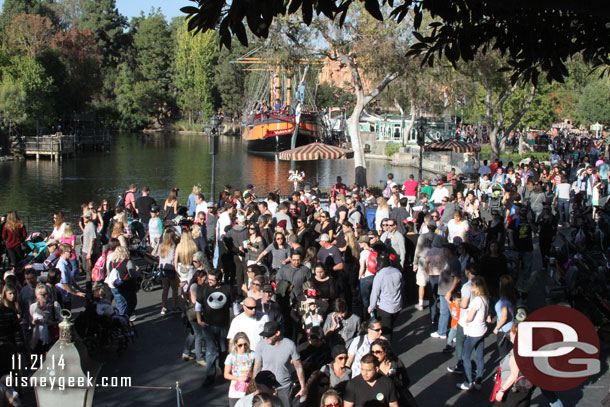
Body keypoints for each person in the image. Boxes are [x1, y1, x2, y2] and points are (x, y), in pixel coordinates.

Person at [254, 321, 306, 407]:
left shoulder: (290, 345)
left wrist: (303, 387)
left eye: (269, 336)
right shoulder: (260, 345)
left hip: (284, 388)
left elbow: (298, 367)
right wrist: (256, 387)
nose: (266, 339)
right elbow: (257, 366)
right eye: (265, 336)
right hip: (266, 388)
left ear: (277, 333)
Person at [196, 269, 232, 386]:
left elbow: (234, 305)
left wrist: (235, 322)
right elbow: (198, 305)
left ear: (219, 280)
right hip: (208, 325)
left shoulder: (227, 289)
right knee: (211, 351)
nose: (209, 281)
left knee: (223, 350)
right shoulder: (204, 289)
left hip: (223, 326)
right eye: (209, 279)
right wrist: (199, 320)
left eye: (212, 280)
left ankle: (224, 370)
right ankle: (210, 375)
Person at [457, 276, 489, 391]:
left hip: (474, 331)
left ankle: (468, 381)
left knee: (466, 356)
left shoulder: (476, 301)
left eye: (472, 285)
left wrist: (466, 318)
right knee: (479, 355)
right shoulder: (485, 298)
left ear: (476, 286)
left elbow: (470, 317)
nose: (470, 286)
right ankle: (478, 380)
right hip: (482, 330)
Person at [493, 324, 535, 405]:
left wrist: (502, 390)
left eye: (512, 332)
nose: (510, 334)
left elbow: (514, 374)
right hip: (525, 386)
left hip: (512, 389)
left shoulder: (516, 352)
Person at [368, 247, 403, 339]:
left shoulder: (379, 276)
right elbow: (401, 286)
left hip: (385, 308)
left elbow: (374, 293)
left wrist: (371, 307)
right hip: (397, 306)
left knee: (385, 332)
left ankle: (386, 350)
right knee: (391, 327)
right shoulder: (398, 272)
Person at [370, 339, 416, 407]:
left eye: (378, 352)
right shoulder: (370, 366)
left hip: (397, 398)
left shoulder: (395, 363)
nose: (375, 354)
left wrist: (397, 382)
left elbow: (405, 381)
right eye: (372, 352)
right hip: (379, 399)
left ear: (385, 352)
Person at [431, 243, 460, 339]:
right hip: (443, 291)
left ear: (449, 251)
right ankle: (441, 331)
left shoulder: (454, 262)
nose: (443, 251)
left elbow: (457, 278)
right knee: (444, 312)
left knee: (454, 313)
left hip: (448, 292)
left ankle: (455, 334)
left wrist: (450, 291)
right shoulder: (448, 261)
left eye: (445, 249)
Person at [224, 332, 256, 407]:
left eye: (245, 344)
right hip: (235, 391)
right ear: (235, 344)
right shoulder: (231, 357)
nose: (243, 347)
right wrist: (238, 378)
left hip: (250, 389)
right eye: (240, 345)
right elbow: (226, 374)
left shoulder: (253, 355)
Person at [29, 284, 62, 353]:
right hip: (38, 338)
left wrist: (52, 323)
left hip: (51, 337)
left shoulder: (54, 305)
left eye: (47, 294)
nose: (46, 296)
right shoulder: (33, 307)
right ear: (37, 296)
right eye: (43, 295)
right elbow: (31, 323)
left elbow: (63, 320)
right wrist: (33, 322)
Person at [493, 275, 516, 360]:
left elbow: (504, 316)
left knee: (503, 354)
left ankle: (505, 372)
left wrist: (497, 328)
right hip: (512, 327)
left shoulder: (503, 301)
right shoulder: (511, 298)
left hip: (503, 331)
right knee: (511, 352)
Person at [159, 230, 179, 315]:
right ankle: (174, 306)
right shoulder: (173, 246)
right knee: (174, 289)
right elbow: (172, 259)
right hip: (171, 269)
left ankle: (164, 307)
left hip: (163, 268)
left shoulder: (161, 246)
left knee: (165, 289)